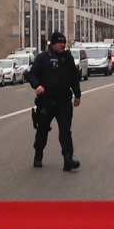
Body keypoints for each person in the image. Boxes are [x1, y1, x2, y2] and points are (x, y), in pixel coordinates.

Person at [26, 31, 82, 171]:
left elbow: (74, 78)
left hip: (64, 101)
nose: (62, 45)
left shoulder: (68, 59)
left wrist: (77, 95)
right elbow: (32, 74)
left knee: (65, 131)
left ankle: (67, 158)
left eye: (64, 42)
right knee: (42, 130)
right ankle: (38, 155)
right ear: (53, 43)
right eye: (60, 42)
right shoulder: (43, 58)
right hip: (46, 101)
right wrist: (37, 85)